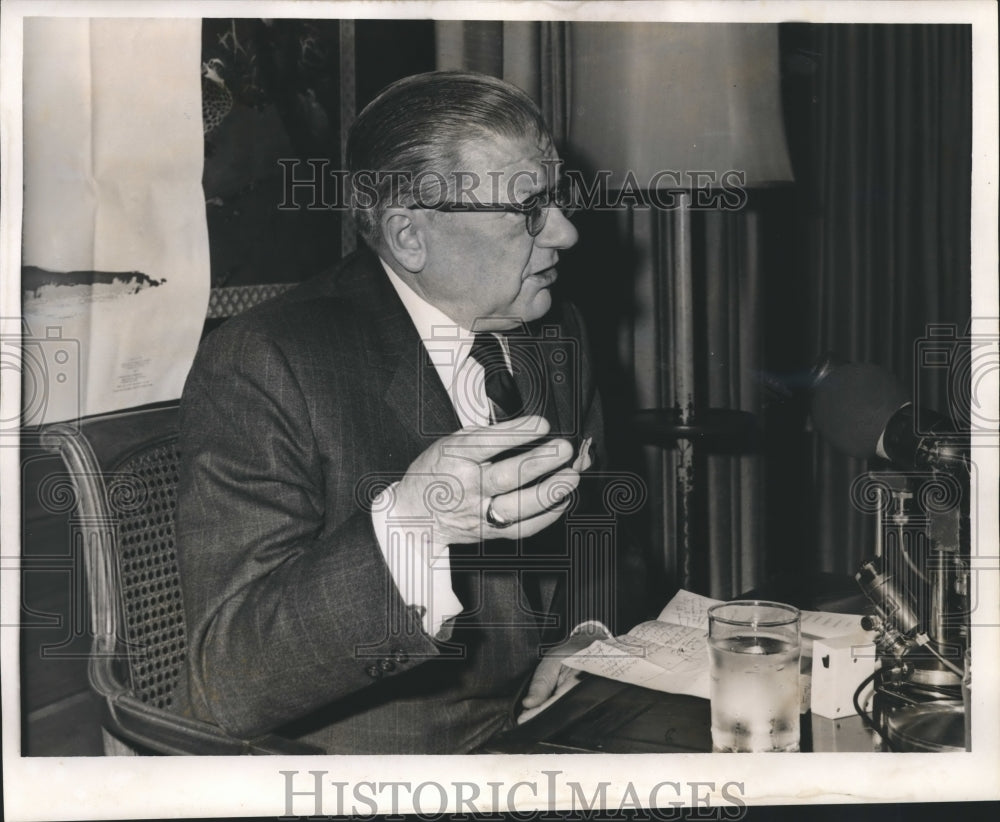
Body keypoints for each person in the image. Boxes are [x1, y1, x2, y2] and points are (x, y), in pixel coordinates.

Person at [175, 71, 617, 754]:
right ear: (410, 236)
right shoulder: (267, 362)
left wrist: (583, 639)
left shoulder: (558, 331)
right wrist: (414, 529)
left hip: (550, 737)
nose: (564, 232)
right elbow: (226, 680)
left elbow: (601, 523)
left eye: (557, 197)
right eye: (529, 209)